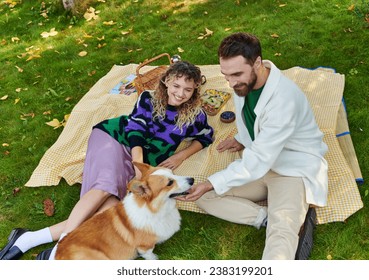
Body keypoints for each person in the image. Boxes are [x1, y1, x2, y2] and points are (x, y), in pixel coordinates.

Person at [0, 61, 214, 260]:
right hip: (115, 139)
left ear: (195, 89)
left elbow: (205, 136)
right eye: (176, 85)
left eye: (188, 89)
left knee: (107, 214)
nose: (180, 93)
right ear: (166, 81)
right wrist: (139, 168)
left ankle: (27, 239)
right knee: (104, 187)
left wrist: (181, 155)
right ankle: (59, 250)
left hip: (142, 161)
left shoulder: (196, 114)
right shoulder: (148, 99)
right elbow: (135, 132)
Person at [178, 32, 328, 260]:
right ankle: (265, 216)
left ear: (257, 62)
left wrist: (213, 181)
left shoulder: (284, 100)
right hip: (261, 167)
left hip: (292, 170)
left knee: (281, 235)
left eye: (237, 74)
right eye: (225, 75)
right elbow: (254, 121)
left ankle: (285, 220)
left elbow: (259, 158)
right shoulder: (243, 85)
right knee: (202, 195)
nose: (231, 83)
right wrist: (241, 138)